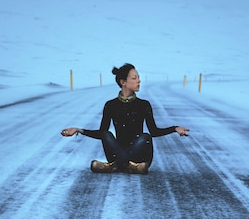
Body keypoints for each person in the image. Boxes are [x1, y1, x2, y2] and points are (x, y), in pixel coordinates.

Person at [60, 63, 190, 174]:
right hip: (118, 151)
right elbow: (101, 133)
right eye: (134, 78)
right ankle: (129, 166)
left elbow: (154, 131)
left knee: (145, 137)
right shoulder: (110, 105)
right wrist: (78, 130)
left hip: (138, 154)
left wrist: (175, 128)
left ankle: (113, 166)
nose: (139, 80)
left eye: (138, 77)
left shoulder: (144, 105)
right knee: (106, 134)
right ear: (123, 82)